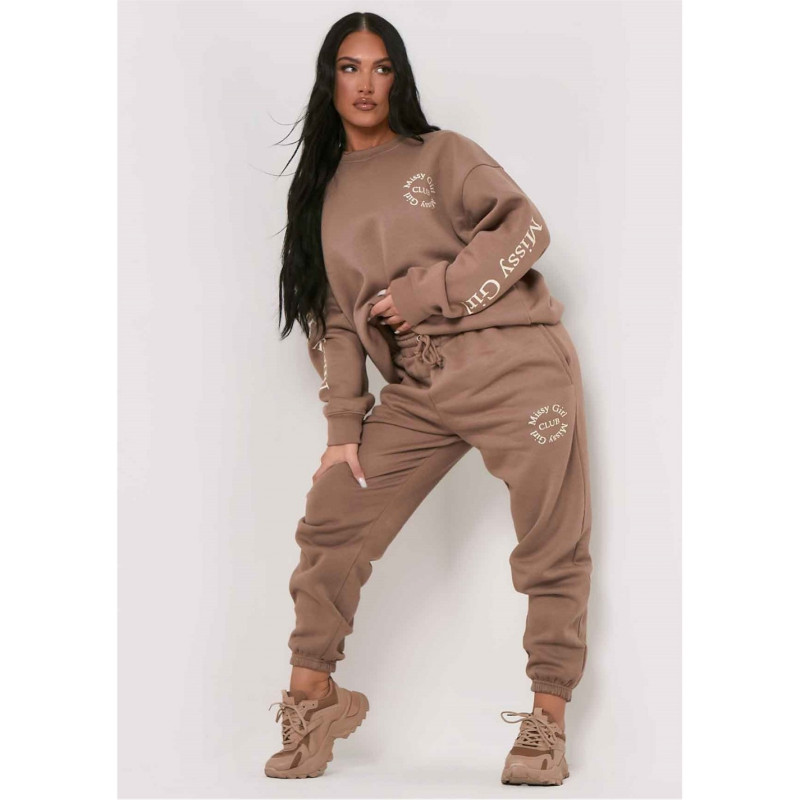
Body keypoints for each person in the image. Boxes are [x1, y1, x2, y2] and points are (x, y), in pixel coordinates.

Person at [265, 11, 592, 787]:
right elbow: (335, 320)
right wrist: (344, 428)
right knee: (333, 514)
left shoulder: (441, 155)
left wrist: (429, 292)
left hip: (515, 365)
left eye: (381, 68)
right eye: (350, 68)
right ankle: (313, 698)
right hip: (419, 388)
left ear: (399, 78)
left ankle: (548, 719)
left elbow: (526, 228)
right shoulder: (320, 195)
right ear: (328, 79)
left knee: (549, 542)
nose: (366, 84)